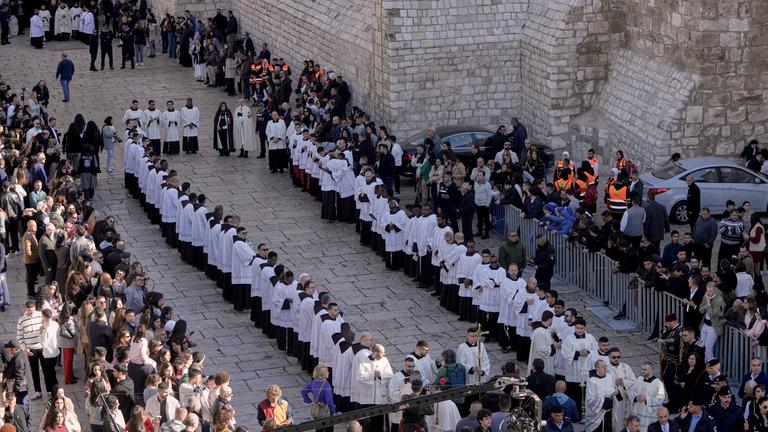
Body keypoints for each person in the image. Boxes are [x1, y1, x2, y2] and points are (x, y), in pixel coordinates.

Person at [300, 365, 335, 430]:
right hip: (325, 411)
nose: (328, 372)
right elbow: (329, 400)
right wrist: (332, 411)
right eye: (327, 371)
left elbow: (303, 391)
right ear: (323, 374)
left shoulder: (313, 382)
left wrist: (309, 401)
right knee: (329, 429)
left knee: (318, 429)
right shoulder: (326, 385)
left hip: (317, 410)